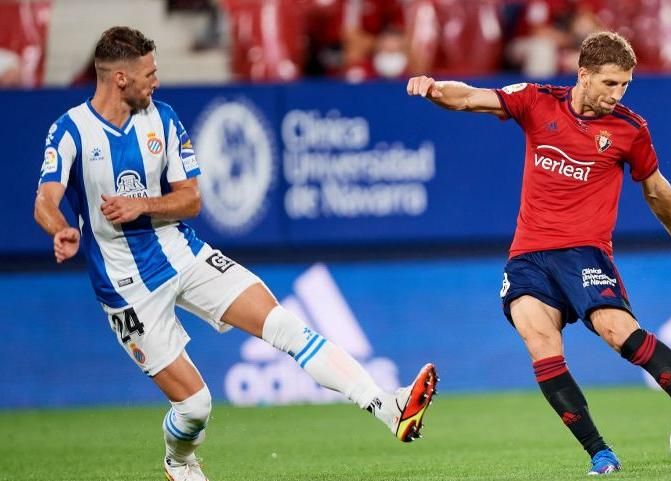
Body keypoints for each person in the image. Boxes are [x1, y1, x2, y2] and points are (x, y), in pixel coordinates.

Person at [34, 26, 437, 481]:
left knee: (284, 324)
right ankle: (178, 461)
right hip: (126, 287)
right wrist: (62, 228)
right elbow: (45, 199)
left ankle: (386, 406)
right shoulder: (71, 130)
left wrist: (142, 204)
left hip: (183, 253)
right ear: (120, 78)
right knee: (195, 407)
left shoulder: (162, 118)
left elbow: (191, 199)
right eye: (149, 74)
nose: (156, 81)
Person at [406, 31, 671, 474]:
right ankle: (600, 453)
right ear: (584, 74)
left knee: (618, 331)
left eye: (625, 84)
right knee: (539, 341)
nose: (618, 93)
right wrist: (435, 89)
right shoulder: (537, 101)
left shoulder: (630, 129)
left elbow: (655, 188)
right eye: (610, 83)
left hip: (585, 254)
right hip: (528, 256)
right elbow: (471, 99)